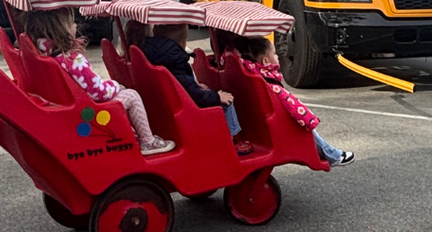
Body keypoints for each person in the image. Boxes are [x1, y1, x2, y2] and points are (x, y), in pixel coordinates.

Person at [22, 8, 174, 155]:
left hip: (70, 108)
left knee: (119, 91)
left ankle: (133, 134)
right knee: (132, 96)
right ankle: (148, 141)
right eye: (71, 23)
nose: (75, 26)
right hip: (88, 113)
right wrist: (116, 86)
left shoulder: (46, 55)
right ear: (62, 30)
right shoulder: (72, 60)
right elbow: (98, 92)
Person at [130, 22, 253, 156]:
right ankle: (231, 142)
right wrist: (216, 97)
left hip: (167, 103)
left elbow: (181, 83)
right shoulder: (174, 58)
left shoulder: (153, 53)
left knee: (212, 93)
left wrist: (196, 86)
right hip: (185, 107)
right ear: (183, 42)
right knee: (226, 101)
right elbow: (193, 94)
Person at [238, 37, 354, 166]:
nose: (277, 57)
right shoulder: (270, 84)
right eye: (275, 54)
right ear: (265, 61)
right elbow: (290, 104)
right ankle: (333, 155)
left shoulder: (250, 73)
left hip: (261, 120)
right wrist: (307, 119)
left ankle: (331, 153)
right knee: (307, 130)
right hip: (278, 121)